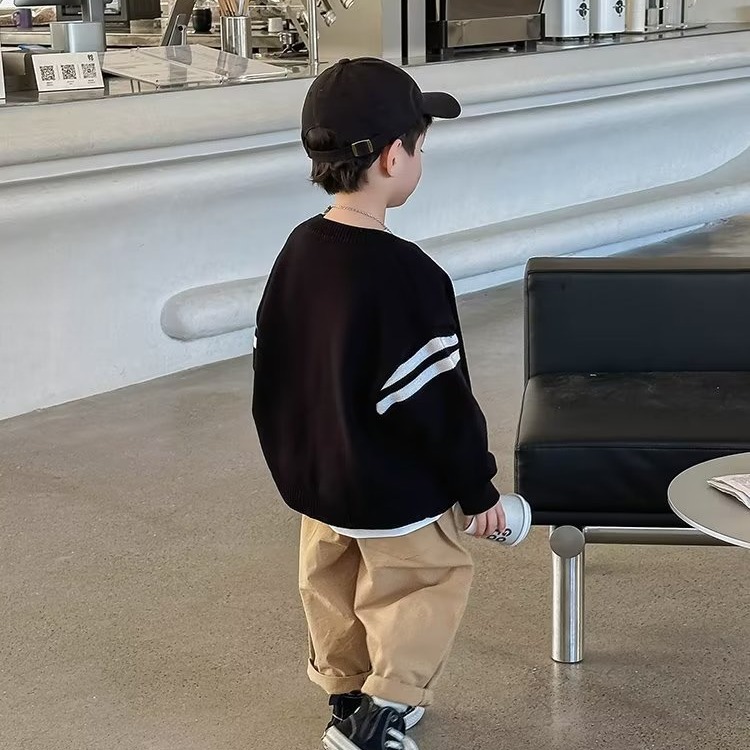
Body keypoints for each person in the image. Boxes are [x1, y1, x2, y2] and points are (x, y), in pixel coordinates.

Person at [252, 57, 506, 750]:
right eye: (421, 148)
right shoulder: (409, 276)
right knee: (422, 586)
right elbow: (438, 402)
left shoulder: (298, 251)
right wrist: (476, 489)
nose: (419, 160)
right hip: (395, 489)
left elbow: (274, 367)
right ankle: (382, 714)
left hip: (320, 481)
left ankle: (345, 696)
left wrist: (297, 466)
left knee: (331, 586)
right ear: (395, 157)